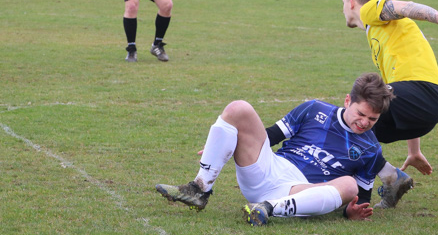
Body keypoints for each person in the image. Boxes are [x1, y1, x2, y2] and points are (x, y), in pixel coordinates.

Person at [156, 73, 395, 226]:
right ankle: (199, 189)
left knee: (349, 184)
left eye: (372, 119)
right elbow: (271, 135)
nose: (364, 122)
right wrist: (224, 144)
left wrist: (350, 213)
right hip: (268, 170)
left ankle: (266, 209)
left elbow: (360, 198)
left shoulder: (371, 148)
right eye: (361, 114)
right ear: (347, 101)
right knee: (239, 108)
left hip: (300, 192)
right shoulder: (314, 109)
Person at [341, 0, 438, 206]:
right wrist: (414, 150)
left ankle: (353, 196)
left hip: (422, 92)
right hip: (428, 106)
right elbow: (399, 97)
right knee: (362, 131)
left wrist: (436, 16)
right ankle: (391, 180)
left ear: (351, 2)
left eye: (342, 2)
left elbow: (401, 7)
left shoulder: (370, 10)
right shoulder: (381, 33)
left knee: (352, 114)